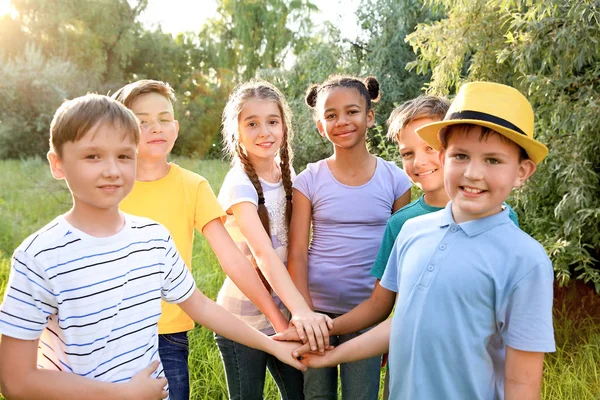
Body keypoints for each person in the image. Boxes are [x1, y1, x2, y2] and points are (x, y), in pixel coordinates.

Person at [0, 94, 305, 400]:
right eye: (93, 156)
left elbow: (200, 306)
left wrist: (272, 344)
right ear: (57, 164)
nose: (111, 170)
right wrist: (121, 395)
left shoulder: (153, 238)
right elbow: (15, 381)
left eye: (123, 156)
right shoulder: (38, 257)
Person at [297, 81, 556, 400]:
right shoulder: (410, 232)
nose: (473, 173)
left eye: (492, 160)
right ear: (446, 156)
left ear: (522, 171)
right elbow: (402, 320)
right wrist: (333, 354)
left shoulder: (526, 261)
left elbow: (522, 384)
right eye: (461, 156)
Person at [112, 80, 327, 399]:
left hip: (169, 334)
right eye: (142, 121)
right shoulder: (107, 184)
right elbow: (259, 254)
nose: (155, 128)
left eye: (163, 118)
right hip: (109, 330)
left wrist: (290, 315)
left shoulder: (193, 186)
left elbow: (236, 261)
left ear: (175, 125)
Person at [287, 75, 412, 399]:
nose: (342, 121)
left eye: (352, 112)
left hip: (368, 315)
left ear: (370, 117)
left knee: (362, 395)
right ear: (320, 126)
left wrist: (388, 326)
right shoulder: (309, 179)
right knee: (316, 395)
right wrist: (305, 314)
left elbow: (399, 260)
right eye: (330, 115)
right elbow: (298, 253)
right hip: (315, 315)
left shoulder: (396, 181)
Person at [215, 79, 332, 399]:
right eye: (252, 123)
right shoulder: (239, 185)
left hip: (285, 311)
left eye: (272, 121)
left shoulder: (286, 171)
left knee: (299, 394)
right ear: (236, 131)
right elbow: (263, 253)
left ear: (284, 126)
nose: (264, 132)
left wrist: (294, 313)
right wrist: (300, 314)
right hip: (242, 322)